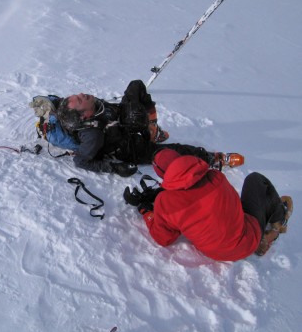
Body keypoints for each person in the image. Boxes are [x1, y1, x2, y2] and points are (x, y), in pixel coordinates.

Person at [124, 148, 293, 259]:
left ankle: (267, 233)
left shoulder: (164, 202)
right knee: (255, 179)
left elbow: (163, 238)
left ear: (162, 175)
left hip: (216, 253)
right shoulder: (215, 177)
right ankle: (280, 218)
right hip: (246, 237)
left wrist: (148, 213)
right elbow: (233, 203)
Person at [57, 79, 243, 177]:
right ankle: (214, 159)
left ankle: (152, 129)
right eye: (80, 99)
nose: (82, 94)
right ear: (85, 116)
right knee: (173, 151)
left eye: (78, 95)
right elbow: (81, 161)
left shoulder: (95, 105)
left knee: (135, 86)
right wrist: (115, 168)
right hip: (131, 149)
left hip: (125, 126)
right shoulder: (93, 136)